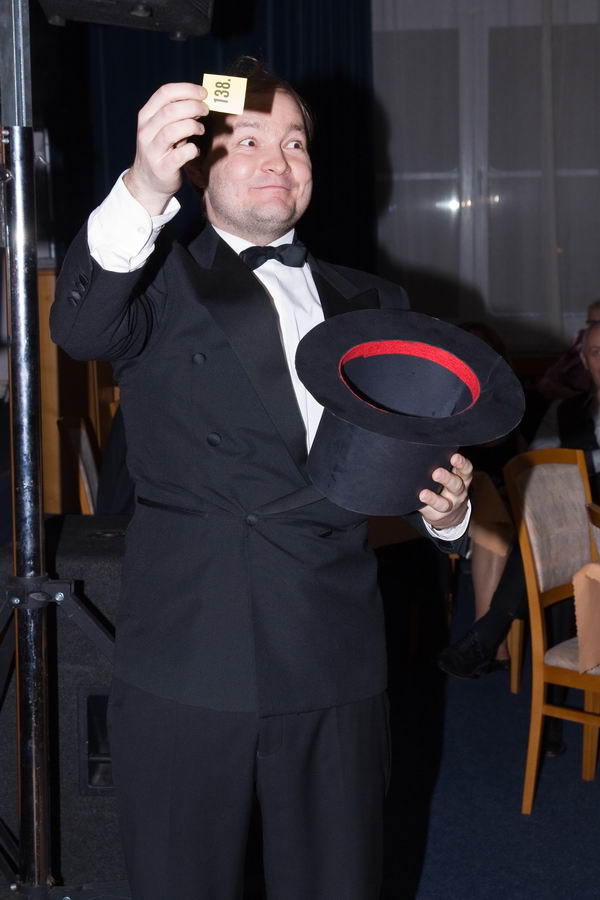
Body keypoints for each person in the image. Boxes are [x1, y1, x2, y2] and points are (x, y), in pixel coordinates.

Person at [50, 59, 472, 900]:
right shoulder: (154, 277)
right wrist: (141, 186)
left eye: (295, 142)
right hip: (190, 658)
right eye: (248, 140)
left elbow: (402, 467)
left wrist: (446, 514)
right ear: (200, 165)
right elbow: (81, 328)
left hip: (333, 655)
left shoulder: (374, 301)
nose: (279, 159)